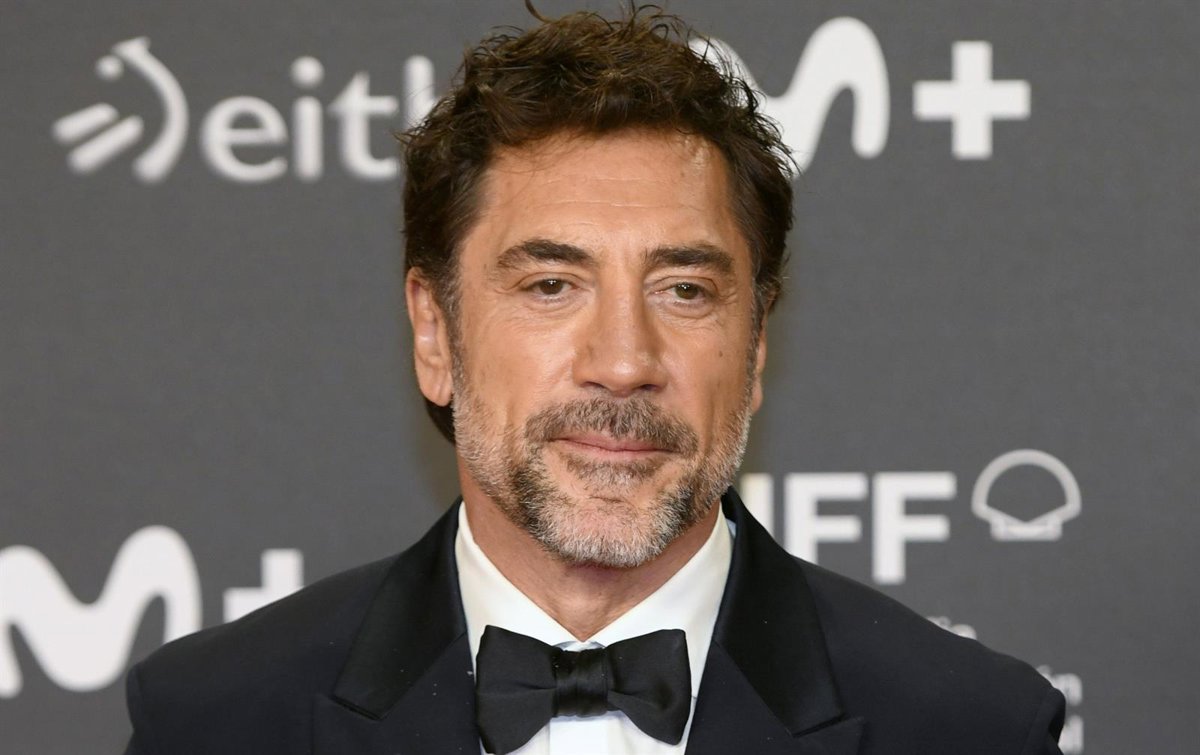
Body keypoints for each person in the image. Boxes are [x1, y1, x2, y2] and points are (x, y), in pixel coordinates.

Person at [123, 6, 1065, 754]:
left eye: (685, 290)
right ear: (435, 332)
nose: (623, 362)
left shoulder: (969, 728)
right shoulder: (217, 720)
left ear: (755, 346)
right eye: (551, 285)